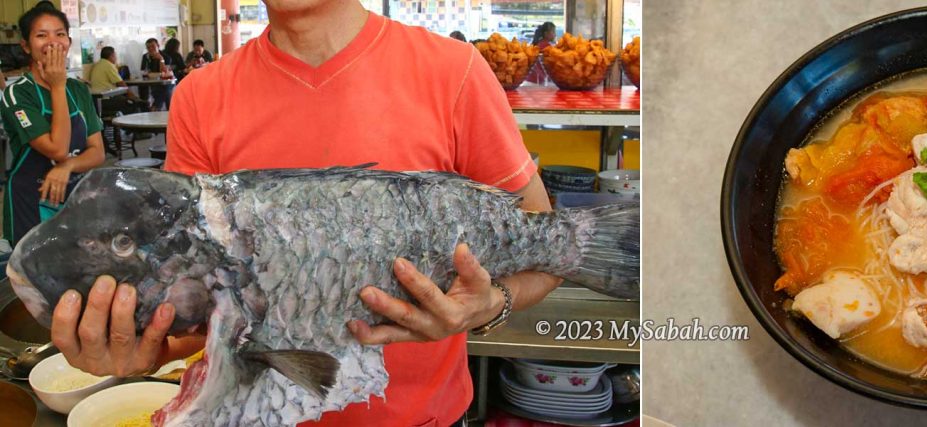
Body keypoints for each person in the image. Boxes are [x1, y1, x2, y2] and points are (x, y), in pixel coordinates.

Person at [48, 1, 562, 426]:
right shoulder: (202, 96)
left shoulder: (453, 71)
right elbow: (204, 309)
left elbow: (550, 245)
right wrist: (141, 344)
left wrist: (492, 304)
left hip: (422, 417)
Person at [0, 2, 106, 242]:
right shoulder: (18, 94)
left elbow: (97, 152)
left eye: (60, 34)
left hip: (75, 196)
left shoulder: (78, 89)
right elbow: (58, 149)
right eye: (41, 35)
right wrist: (58, 85)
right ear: (26, 46)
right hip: (30, 202)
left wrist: (67, 167)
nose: (53, 41)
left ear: (68, 41)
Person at [86, 46, 145, 115]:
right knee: (133, 104)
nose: (116, 58)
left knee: (129, 101)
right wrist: (134, 97)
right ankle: (127, 124)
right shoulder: (108, 65)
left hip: (96, 100)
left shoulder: (98, 64)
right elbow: (121, 84)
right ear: (112, 56)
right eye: (115, 55)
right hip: (106, 99)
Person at [139, 38, 172, 110]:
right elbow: (143, 71)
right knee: (143, 89)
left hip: (166, 83)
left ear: (158, 46)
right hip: (152, 83)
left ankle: (156, 107)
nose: (150, 49)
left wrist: (161, 59)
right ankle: (149, 108)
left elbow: (165, 72)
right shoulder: (146, 57)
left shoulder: (166, 57)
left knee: (165, 90)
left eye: (153, 46)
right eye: (148, 47)